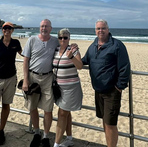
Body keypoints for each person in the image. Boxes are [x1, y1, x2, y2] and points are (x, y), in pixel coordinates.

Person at [81, 19, 131, 147]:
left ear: (108, 29)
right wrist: (71, 55)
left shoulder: (117, 45)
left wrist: (119, 87)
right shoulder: (93, 46)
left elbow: (125, 68)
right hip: (98, 91)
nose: (100, 31)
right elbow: (84, 61)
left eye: (103, 28)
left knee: (110, 124)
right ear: (95, 30)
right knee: (104, 121)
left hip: (112, 92)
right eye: (98, 28)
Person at [22, 19, 59, 147]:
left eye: (46, 26)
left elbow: (65, 46)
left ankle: (45, 136)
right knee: (32, 107)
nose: (44, 28)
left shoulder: (55, 41)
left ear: (51, 28)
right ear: (40, 27)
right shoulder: (32, 40)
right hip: (33, 78)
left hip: (48, 78)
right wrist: (25, 80)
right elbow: (25, 61)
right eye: (42, 26)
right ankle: (37, 133)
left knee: (48, 109)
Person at [53, 29, 83, 147]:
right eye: (60, 38)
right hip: (59, 87)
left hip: (71, 87)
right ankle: (69, 138)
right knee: (66, 112)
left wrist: (71, 57)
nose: (63, 40)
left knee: (62, 113)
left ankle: (56, 144)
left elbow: (80, 66)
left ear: (69, 38)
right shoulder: (55, 49)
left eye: (65, 37)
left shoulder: (73, 49)